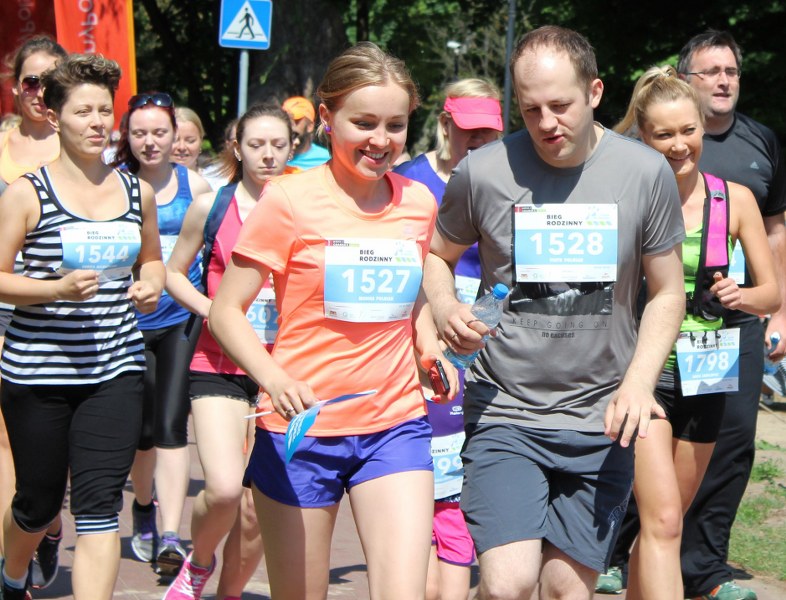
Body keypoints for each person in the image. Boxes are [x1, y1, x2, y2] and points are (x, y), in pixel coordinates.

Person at [422, 25, 686, 600]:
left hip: (602, 417)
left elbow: (668, 292)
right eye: (530, 109)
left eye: (561, 106)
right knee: (508, 584)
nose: (546, 123)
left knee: (568, 589)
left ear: (594, 92)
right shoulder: (483, 171)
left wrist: (639, 383)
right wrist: (444, 306)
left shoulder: (646, 174)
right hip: (506, 409)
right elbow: (438, 256)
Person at [209, 42, 458, 599]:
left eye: (395, 125)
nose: (381, 140)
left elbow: (413, 296)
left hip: (395, 422)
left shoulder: (419, 202)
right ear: (327, 118)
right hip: (302, 429)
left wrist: (428, 347)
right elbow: (225, 313)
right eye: (363, 123)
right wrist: (274, 380)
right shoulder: (288, 200)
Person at [609, 66, 779, 600]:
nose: (679, 145)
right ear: (642, 136)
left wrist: (739, 295)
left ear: (703, 127)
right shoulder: (625, 197)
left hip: (708, 373)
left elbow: (771, 294)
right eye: (664, 134)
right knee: (661, 521)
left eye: (688, 131)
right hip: (646, 373)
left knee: (667, 524)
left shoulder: (736, 201)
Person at [0, 53, 164, 600]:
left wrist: (151, 284)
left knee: (98, 510)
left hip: (114, 370)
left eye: (104, 111)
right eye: (83, 112)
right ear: (55, 117)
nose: (97, 123)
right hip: (38, 375)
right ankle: (11, 576)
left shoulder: (135, 192)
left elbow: (152, 261)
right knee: (38, 504)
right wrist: (54, 289)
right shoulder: (27, 193)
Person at [161, 103, 296, 600]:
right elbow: (173, 272)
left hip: (283, 367)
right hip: (217, 363)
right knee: (221, 488)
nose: (267, 155)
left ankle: (229, 593)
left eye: (278, 145)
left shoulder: (307, 206)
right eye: (256, 145)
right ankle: (199, 562)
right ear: (237, 148)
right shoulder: (211, 205)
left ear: (293, 148)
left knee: (258, 506)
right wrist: (214, 310)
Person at [676, 31, 786, 600]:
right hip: (661, 320)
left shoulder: (761, 141)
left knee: (729, 440)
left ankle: (704, 567)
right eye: (710, 71)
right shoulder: (654, 142)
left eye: (732, 71)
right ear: (684, 79)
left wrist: (780, 311)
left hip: (734, 323)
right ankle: (622, 550)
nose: (723, 81)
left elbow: (776, 230)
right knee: (646, 434)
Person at [395, 77, 503, 600]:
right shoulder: (408, 181)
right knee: (420, 475)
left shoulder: (504, 180)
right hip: (416, 338)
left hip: (483, 340)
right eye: (469, 130)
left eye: (489, 132)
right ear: (445, 124)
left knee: (461, 478)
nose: (479, 141)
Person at [111, 91, 211, 575]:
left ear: (176, 136)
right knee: (142, 432)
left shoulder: (198, 186)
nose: (150, 142)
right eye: (140, 133)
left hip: (180, 320)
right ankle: (143, 505)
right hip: (128, 321)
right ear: (127, 137)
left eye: (159, 132)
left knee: (172, 424)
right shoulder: (114, 185)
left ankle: (171, 535)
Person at [0, 34, 68, 590]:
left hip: (72, 317)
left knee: (54, 450)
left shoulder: (86, 146)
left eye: (51, 82)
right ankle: (10, 564)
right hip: (4, 306)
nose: (40, 92)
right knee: (5, 441)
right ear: (14, 86)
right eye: (31, 81)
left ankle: (46, 523)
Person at [282, 95, 330, 170]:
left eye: (296, 120)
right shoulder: (274, 157)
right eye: (285, 120)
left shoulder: (326, 159)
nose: (289, 126)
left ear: (310, 126)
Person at [172, 107, 206, 173]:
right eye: (174, 140)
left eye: (190, 141)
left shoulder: (213, 179)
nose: (182, 147)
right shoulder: (150, 179)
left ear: (201, 142)